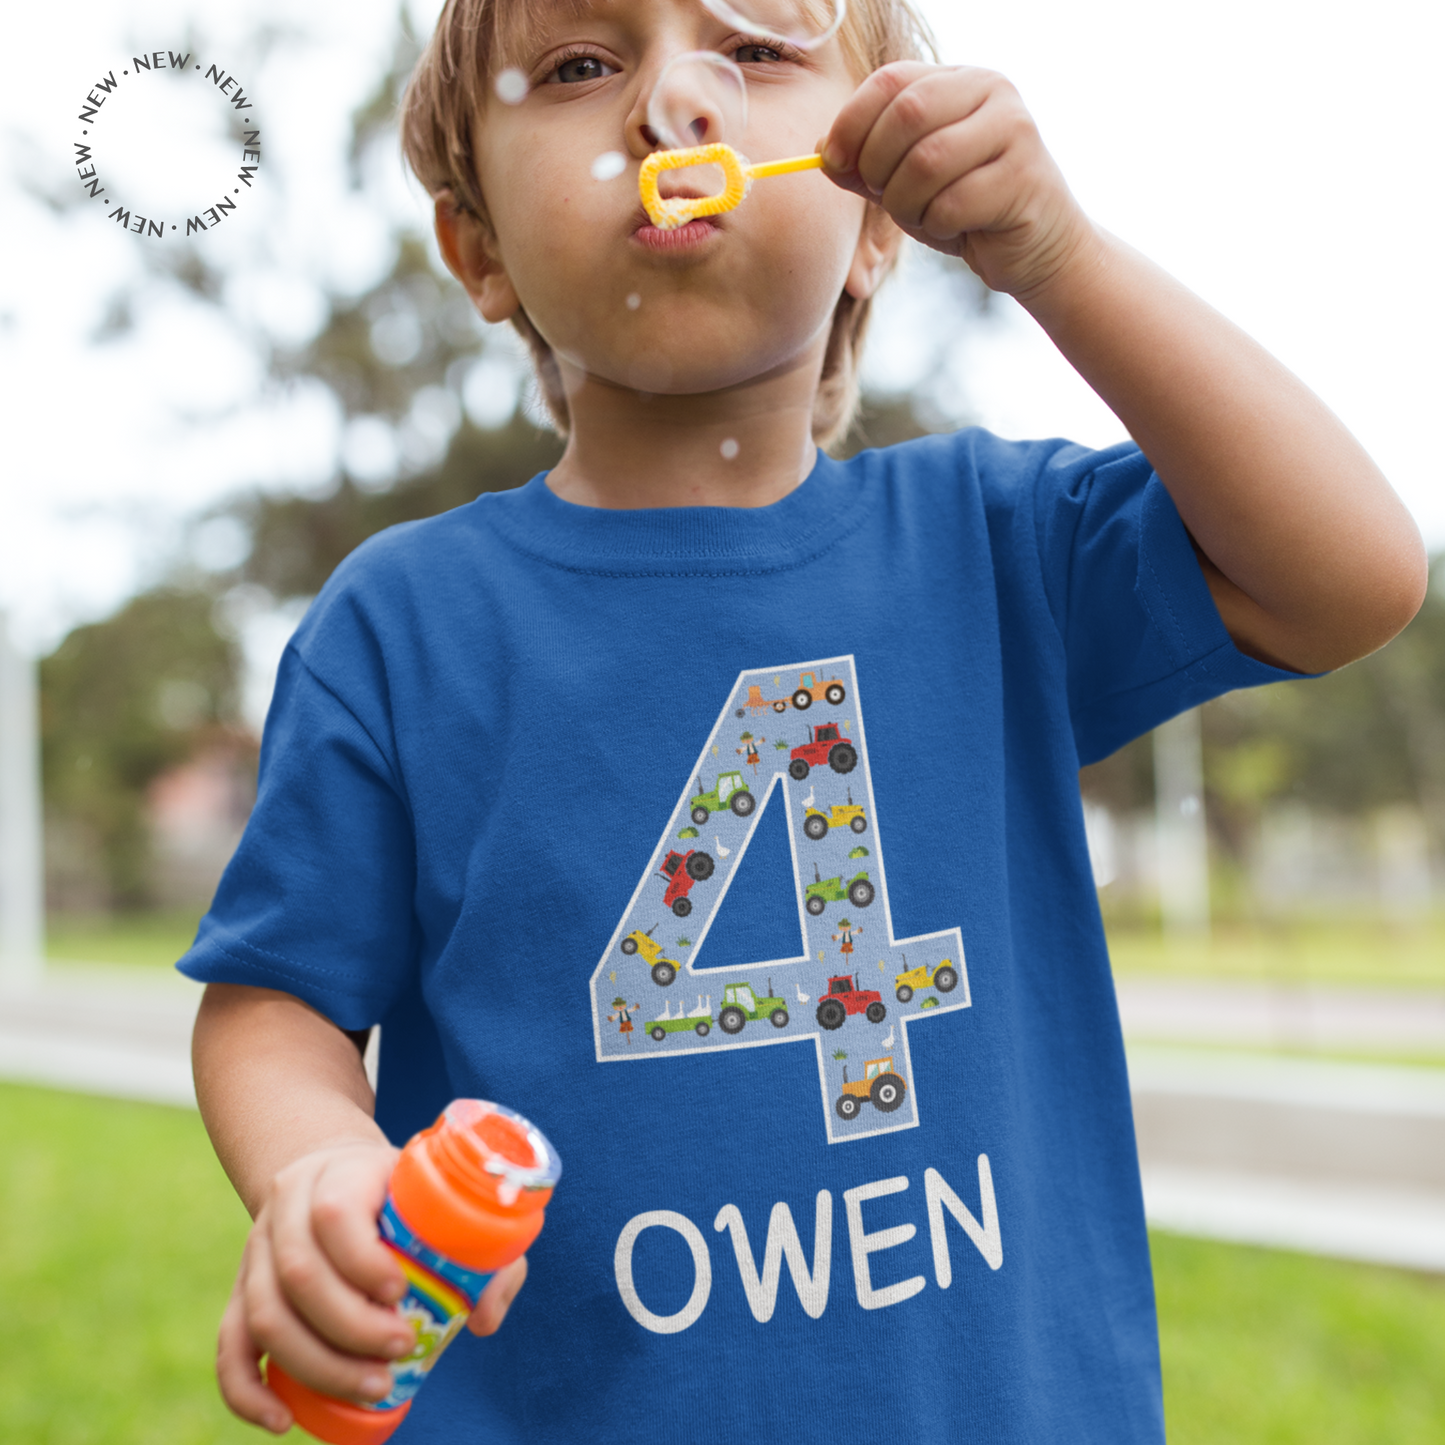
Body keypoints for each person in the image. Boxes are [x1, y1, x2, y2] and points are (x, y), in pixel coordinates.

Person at [181, 0, 1426, 1440]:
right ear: (477, 250)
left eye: (757, 50)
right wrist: (318, 1167)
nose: (671, 107)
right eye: (584, 65)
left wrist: (1059, 261)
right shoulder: (403, 627)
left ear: (881, 214)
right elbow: (275, 1002)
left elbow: (1351, 579)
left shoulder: (996, 547)